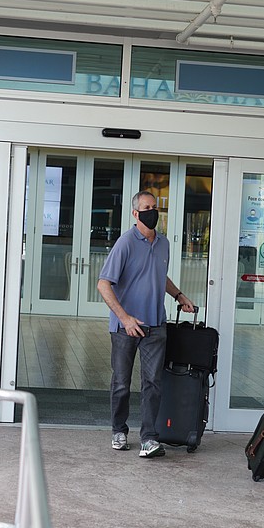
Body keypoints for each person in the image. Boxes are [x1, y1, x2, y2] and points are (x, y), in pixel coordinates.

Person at [97, 191, 194, 458]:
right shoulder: (125, 243)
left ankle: (149, 439)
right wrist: (124, 318)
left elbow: (159, 275)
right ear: (135, 214)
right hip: (125, 327)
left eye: (155, 207)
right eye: (146, 208)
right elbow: (103, 284)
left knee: (153, 383)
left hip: (155, 325)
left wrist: (179, 295)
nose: (152, 211)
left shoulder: (163, 243)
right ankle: (119, 430)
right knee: (121, 382)